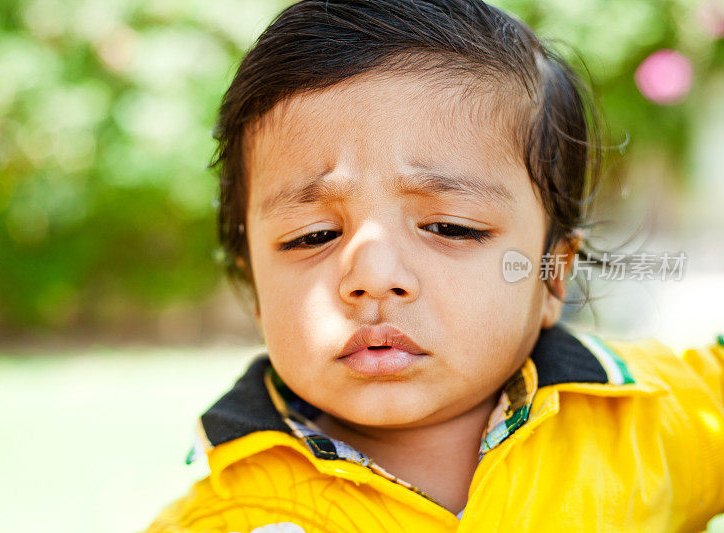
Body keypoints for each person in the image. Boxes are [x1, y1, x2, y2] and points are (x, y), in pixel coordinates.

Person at [144, 1, 724, 531]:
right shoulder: (225, 518)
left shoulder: (655, 416)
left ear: (551, 275)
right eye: (312, 236)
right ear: (253, 288)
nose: (372, 275)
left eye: (451, 227)